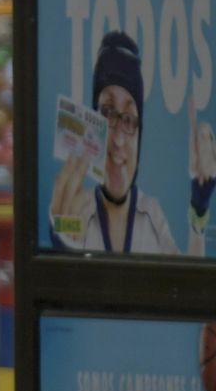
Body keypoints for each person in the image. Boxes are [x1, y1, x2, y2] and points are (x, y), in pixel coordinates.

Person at [49, 31, 211, 255]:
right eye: (107, 112)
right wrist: (61, 240)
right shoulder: (77, 213)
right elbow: (60, 256)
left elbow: (185, 284)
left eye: (129, 119)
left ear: (140, 134)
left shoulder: (151, 215)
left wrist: (199, 208)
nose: (118, 139)